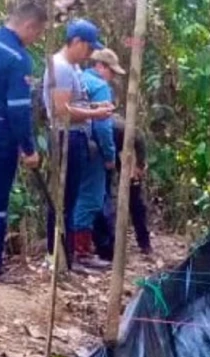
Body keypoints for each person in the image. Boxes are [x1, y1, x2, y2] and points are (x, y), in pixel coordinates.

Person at [42, 18, 113, 271]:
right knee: (63, 200)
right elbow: (62, 111)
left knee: (70, 200)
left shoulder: (73, 68)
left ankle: (67, 257)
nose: (89, 53)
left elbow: (75, 103)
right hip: (66, 137)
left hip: (76, 136)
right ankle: (57, 256)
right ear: (76, 42)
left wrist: (95, 107)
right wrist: (95, 114)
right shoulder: (61, 67)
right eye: (88, 47)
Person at [0, 1, 47, 281]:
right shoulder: (17, 57)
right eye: (37, 34)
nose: (35, 39)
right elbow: (18, 109)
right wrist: (29, 149)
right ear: (29, 26)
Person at [74, 48, 125, 268]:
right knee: (91, 199)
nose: (112, 77)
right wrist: (110, 155)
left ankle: (72, 248)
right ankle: (81, 252)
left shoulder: (79, 78)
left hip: (73, 143)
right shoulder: (100, 87)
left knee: (75, 195)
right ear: (101, 66)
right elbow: (103, 127)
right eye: (111, 71)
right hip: (92, 148)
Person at [92, 115, 152, 260]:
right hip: (101, 157)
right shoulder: (86, 129)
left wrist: (139, 165)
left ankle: (144, 242)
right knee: (101, 198)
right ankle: (106, 245)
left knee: (134, 196)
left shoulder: (115, 127)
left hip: (121, 152)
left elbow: (138, 135)